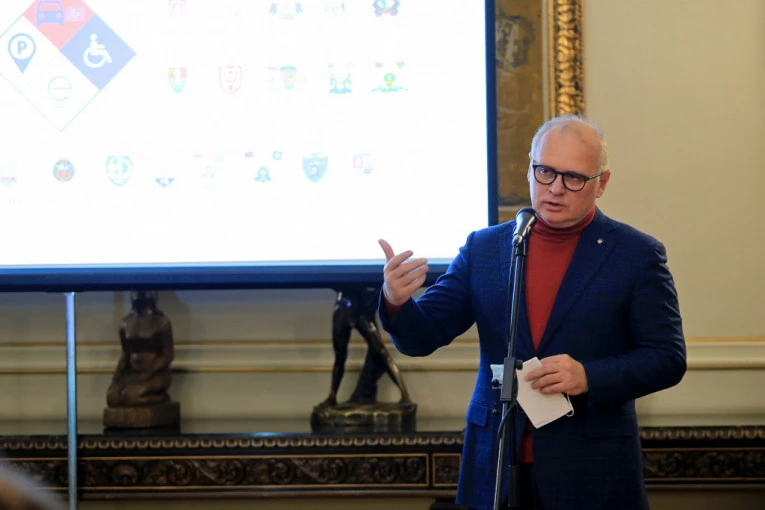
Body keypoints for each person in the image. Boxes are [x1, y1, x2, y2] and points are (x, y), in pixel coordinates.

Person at [377, 115, 687, 510]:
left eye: (573, 178)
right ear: (530, 169)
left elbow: (667, 358)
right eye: (545, 172)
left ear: (601, 183)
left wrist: (589, 376)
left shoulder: (636, 254)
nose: (555, 188)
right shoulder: (485, 248)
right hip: (495, 464)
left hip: (591, 470)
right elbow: (422, 337)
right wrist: (396, 300)